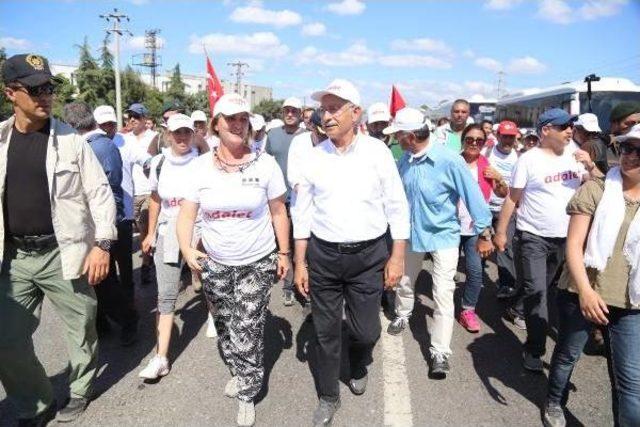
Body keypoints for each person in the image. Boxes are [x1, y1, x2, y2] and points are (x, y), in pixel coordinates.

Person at [0, 53, 117, 424]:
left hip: (64, 251)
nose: (44, 96)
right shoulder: (0, 140)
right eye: (34, 89)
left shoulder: (71, 141)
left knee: (81, 326)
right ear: (10, 93)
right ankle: (35, 401)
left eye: (48, 87)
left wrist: (103, 244)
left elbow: (100, 194)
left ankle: (80, 388)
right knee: (6, 338)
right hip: (14, 258)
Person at [292, 79, 410, 425]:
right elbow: (302, 214)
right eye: (323, 109)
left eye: (333, 108)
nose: (325, 116)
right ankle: (329, 396)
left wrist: (397, 256)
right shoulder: (313, 158)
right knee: (326, 333)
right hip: (324, 256)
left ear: (355, 112)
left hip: (368, 257)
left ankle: (359, 360)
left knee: (366, 331)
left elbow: (397, 207)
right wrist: (301, 263)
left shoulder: (378, 153)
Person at [176, 93, 290, 427]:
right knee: (226, 325)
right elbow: (186, 216)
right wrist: (187, 249)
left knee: (247, 328)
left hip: (257, 260)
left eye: (243, 118)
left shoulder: (265, 164)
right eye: (231, 118)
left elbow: (279, 212)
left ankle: (247, 391)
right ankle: (241, 369)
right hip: (215, 263)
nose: (239, 124)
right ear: (216, 124)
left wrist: (283, 253)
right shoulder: (200, 168)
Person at [383, 108, 492, 377]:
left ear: (410, 136)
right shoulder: (405, 160)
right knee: (406, 280)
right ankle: (403, 313)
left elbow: (472, 194)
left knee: (443, 292)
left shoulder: (448, 160)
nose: (396, 139)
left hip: (443, 235)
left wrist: (484, 232)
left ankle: (440, 351)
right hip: (411, 233)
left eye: (398, 134)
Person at [544, 124, 640, 427]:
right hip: (581, 293)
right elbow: (573, 245)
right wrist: (585, 292)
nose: (630, 156)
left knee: (630, 384)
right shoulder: (596, 189)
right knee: (567, 356)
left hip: (631, 302)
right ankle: (554, 401)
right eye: (626, 148)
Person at [494, 108, 593, 373]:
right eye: (563, 127)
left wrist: (591, 167)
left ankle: (516, 306)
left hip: (567, 241)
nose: (569, 131)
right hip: (533, 237)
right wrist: (501, 232)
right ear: (545, 130)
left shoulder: (576, 155)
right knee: (538, 293)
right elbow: (513, 198)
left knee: (543, 289)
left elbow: (597, 187)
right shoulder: (529, 160)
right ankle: (535, 349)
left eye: (570, 126)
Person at [64, 101, 137, 346]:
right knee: (97, 280)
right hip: (91, 225)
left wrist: (107, 228)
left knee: (108, 280)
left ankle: (128, 321)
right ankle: (103, 323)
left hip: (106, 225)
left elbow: (111, 189)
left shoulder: (102, 146)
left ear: (72, 125)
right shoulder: (82, 144)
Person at [138, 113, 200, 381]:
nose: (183, 137)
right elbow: (154, 199)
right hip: (167, 232)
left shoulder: (203, 162)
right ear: (168, 135)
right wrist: (151, 233)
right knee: (165, 296)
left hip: (199, 230)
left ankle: (214, 317)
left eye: (187, 132)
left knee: (208, 283)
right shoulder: (159, 163)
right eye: (178, 133)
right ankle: (161, 357)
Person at [95, 105, 151, 316]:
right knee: (105, 273)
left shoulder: (126, 141)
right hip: (99, 220)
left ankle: (129, 315)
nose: (108, 128)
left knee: (126, 271)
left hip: (123, 217)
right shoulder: (88, 143)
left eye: (111, 123)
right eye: (104, 124)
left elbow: (147, 160)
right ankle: (107, 315)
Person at [457, 124, 508, 332]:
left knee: (476, 272)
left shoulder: (487, 165)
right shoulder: (453, 162)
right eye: (470, 139)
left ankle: (467, 309)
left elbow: (504, 194)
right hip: (449, 226)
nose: (474, 144)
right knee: (446, 271)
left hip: (475, 228)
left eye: (479, 140)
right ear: (463, 140)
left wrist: (499, 178)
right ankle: (441, 306)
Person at [265, 96, 305, 306]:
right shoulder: (272, 135)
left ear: (300, 113)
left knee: (305, 244)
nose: (290, 114)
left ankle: (307, 285)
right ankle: (288, 286)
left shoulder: (309, 136)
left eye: (294, 111)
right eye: (286, 110)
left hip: (305, 200)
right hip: (281, 200)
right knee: (286, 244)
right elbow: (267, 162)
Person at [123, 103, 158, 286]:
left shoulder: (155, 138)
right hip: (131, 193)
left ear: (145, 119)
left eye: (136, 116)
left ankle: (145, 266)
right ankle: (150, 254)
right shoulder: (124, 139)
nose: (132, 120)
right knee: (140, 229)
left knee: (145, 228)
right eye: (130, 117)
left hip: (149, 192)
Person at [486, 120, 521, 300]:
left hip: (505, 209)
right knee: (480, 248)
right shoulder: (487, 153)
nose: (508, 140)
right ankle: (475, 279)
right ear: (498, 136)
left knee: (504, 246)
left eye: (511, 137)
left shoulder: (520, 157)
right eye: (505, 136)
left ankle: (506, 285)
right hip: (484, 207)